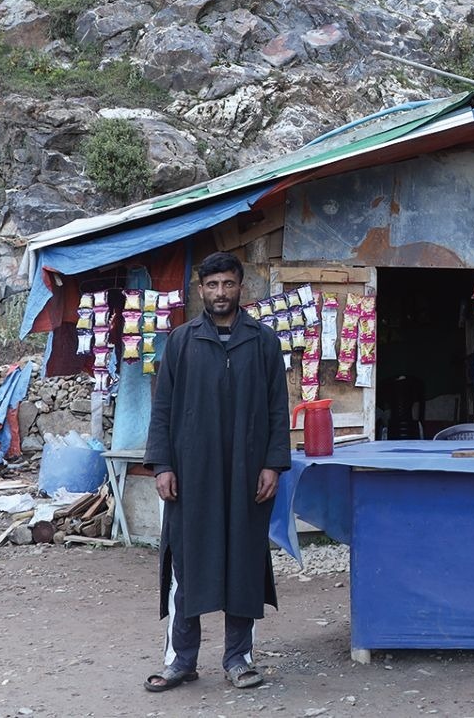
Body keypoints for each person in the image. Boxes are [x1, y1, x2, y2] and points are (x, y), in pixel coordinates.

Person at [143, 251, 290, 692]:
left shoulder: (263, 342)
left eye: (228, 284)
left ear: (241, 286)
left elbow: (277, 409)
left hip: (247, 475)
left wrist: (272, 464)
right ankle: (181, 661)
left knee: (242, 563)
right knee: (187, 564)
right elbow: (163, 408)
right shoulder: (181, 342)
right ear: (201, 290)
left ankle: (238, 659)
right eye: (212, 285)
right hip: (192, 476)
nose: (220, 292)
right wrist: (163, 465)